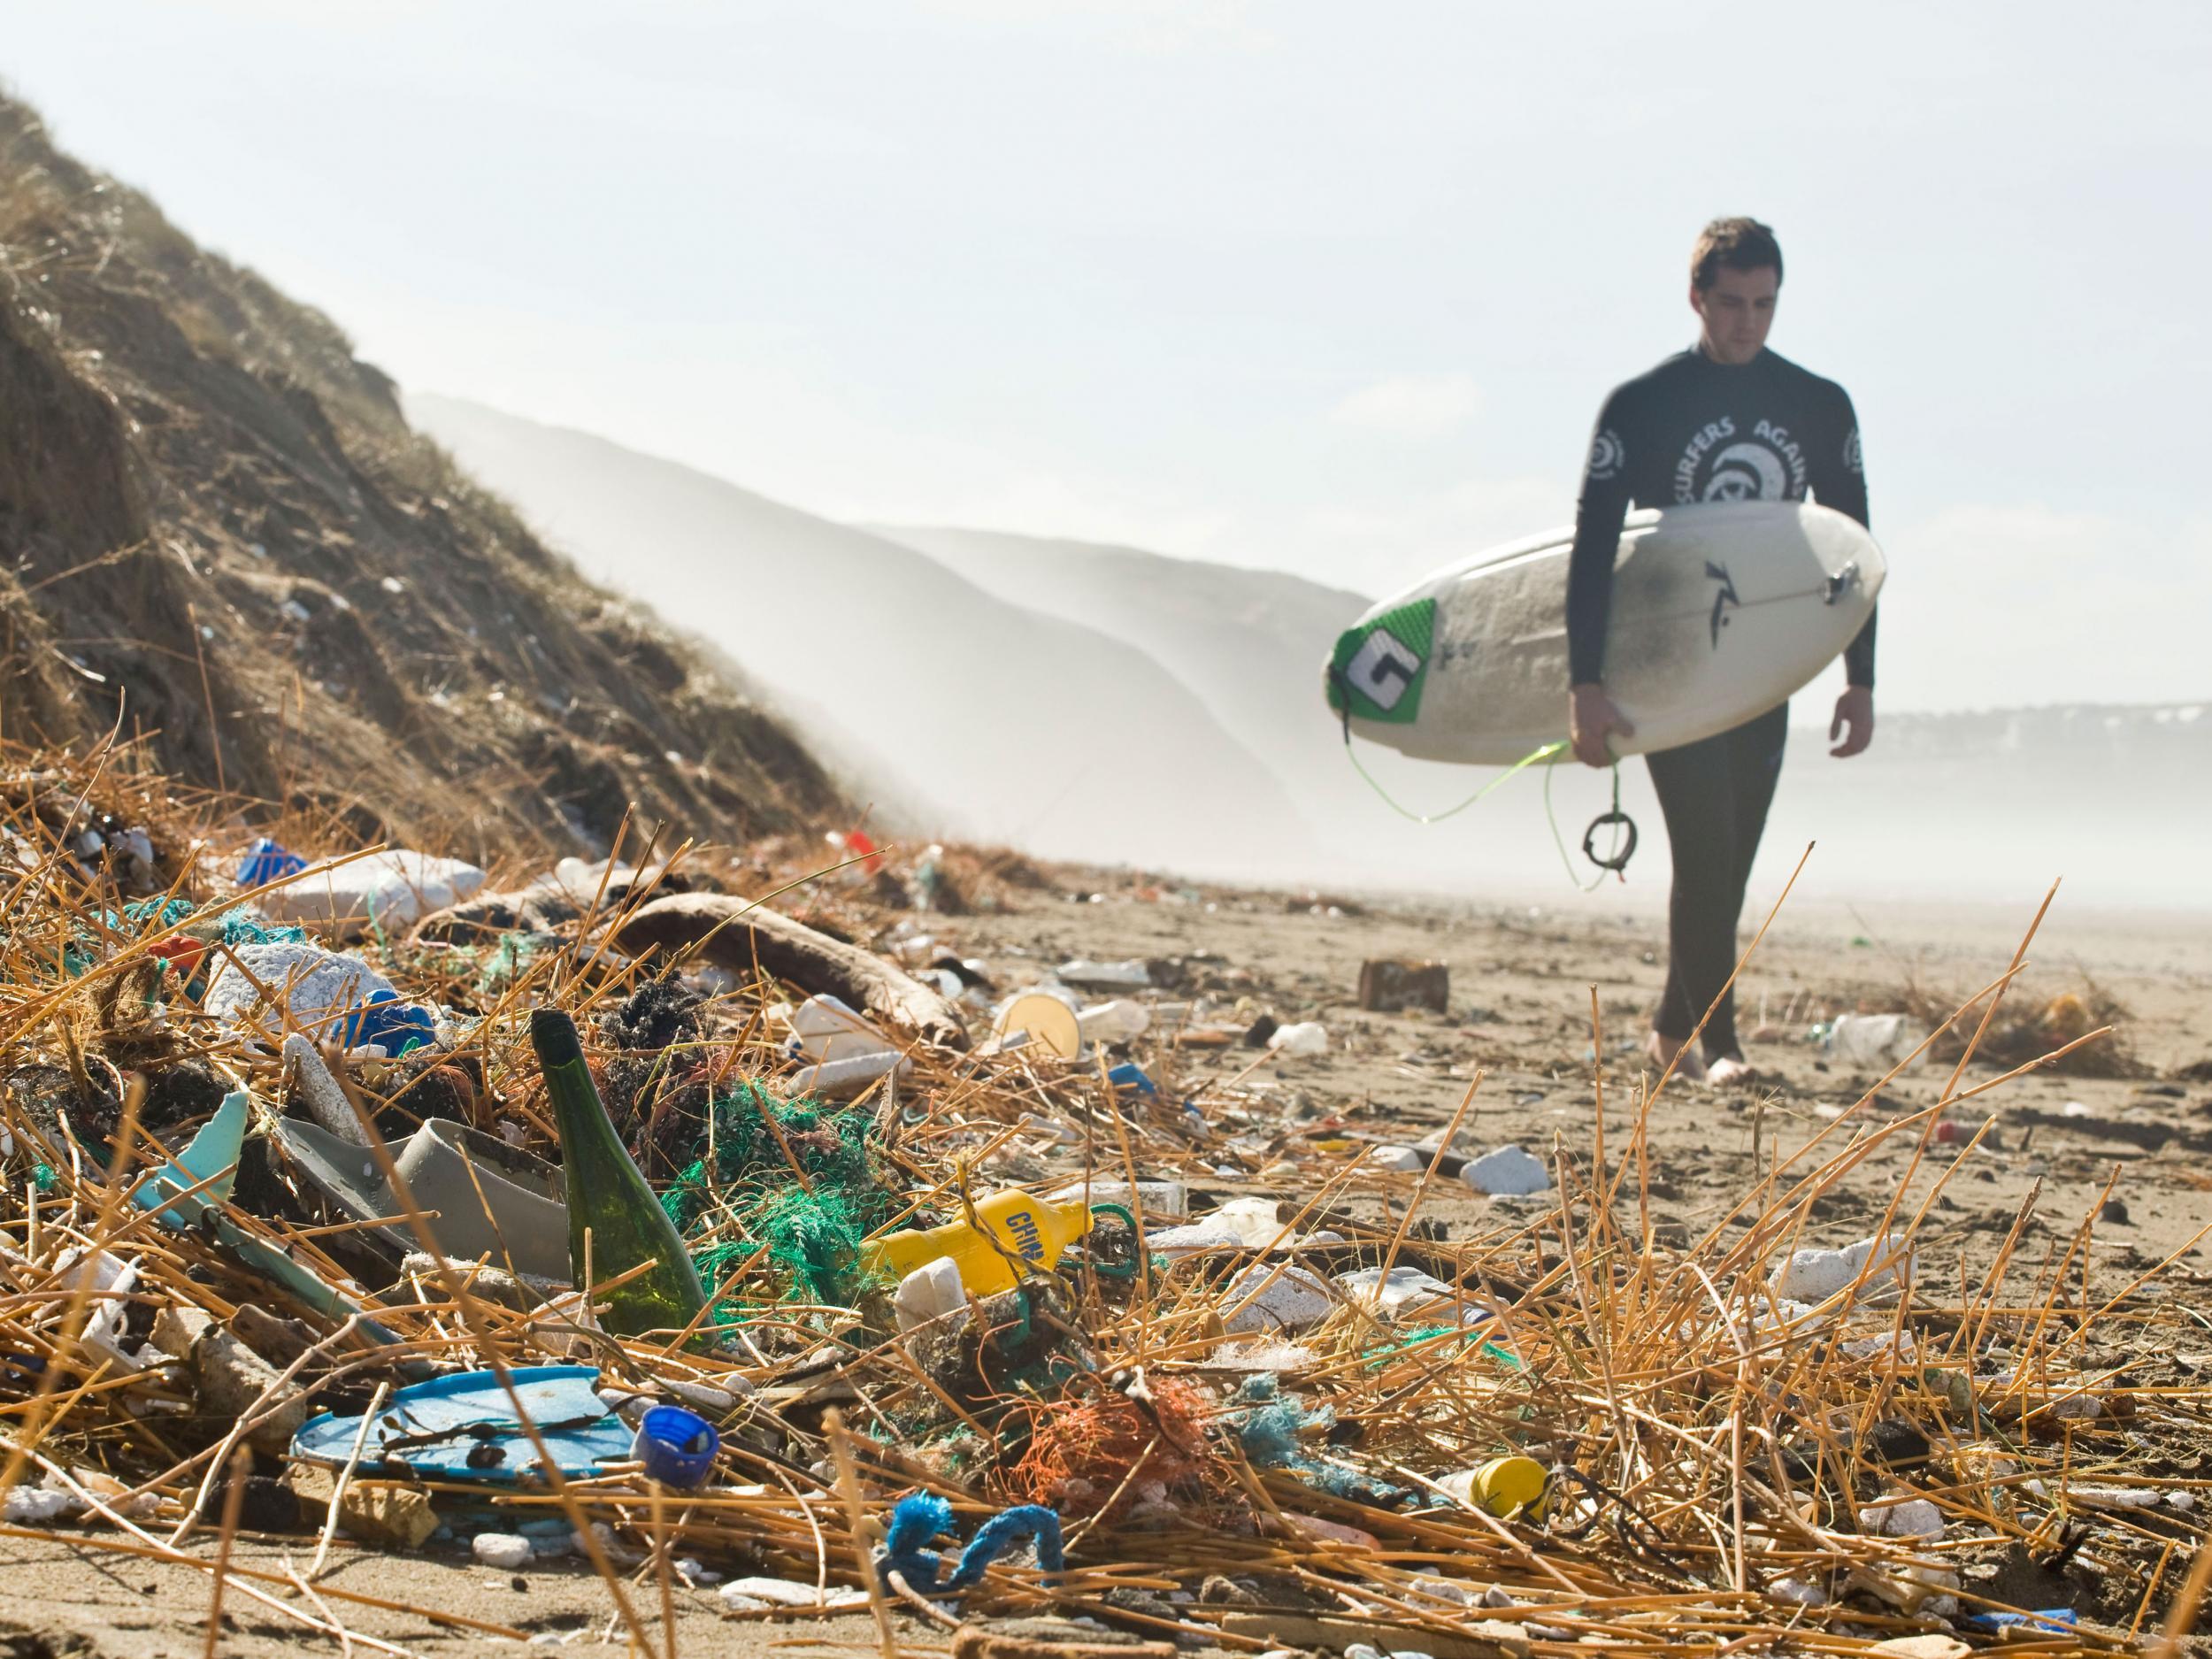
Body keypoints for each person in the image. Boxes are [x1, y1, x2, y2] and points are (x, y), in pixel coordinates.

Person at [1564, 217, 1875, 1087]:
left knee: (1728, 860)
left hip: (1762, 668)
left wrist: (1859, 679)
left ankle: (1671, 1031)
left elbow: (1853, 551)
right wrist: (1583, 682)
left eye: (1764, 304)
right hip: (1667, 665)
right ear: (1696, 296)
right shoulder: (1643, 406)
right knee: (1705, 851)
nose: (1748, 322)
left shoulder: (1816, 404)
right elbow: (1592, 549)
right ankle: (1720, 1046)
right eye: (1731, 303)